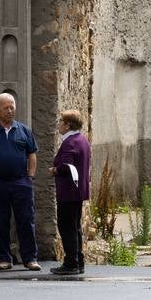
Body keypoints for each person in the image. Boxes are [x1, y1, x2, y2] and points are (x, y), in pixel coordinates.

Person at [0, 92, 41, 271]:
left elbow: (32, 154)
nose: (10, 111)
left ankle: (30, 258)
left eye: (12, 107)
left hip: (21, 182)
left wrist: (30, 176)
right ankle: (3, 258)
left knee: (26, 220)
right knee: (0, 221)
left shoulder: (24, 130)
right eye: (6, 107)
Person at [49, 109, 91, 276]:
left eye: (61, 122)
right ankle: (78, 260)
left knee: (66, 226)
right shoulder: (82, 140)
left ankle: (71, 262)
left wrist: (55, 170)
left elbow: (67, 166)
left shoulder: (70, 143)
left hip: (68, 191)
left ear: (67, 125)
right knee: (75, 227)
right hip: (78, 191)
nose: (59, 125)